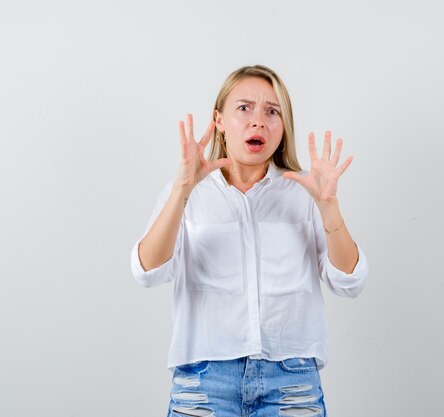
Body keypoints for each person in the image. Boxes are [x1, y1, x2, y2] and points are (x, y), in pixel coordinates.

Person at [130, 65, 368, 417]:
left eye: (272, 112)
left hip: (291, 383)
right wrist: (182, 189)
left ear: (283, 127)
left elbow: (350, 281)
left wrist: (328, 207)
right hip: (204, 381)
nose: (259, 121)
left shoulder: (306, 192)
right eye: (244, 108)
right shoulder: (187, 192)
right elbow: (147, 271)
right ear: (220, 120)